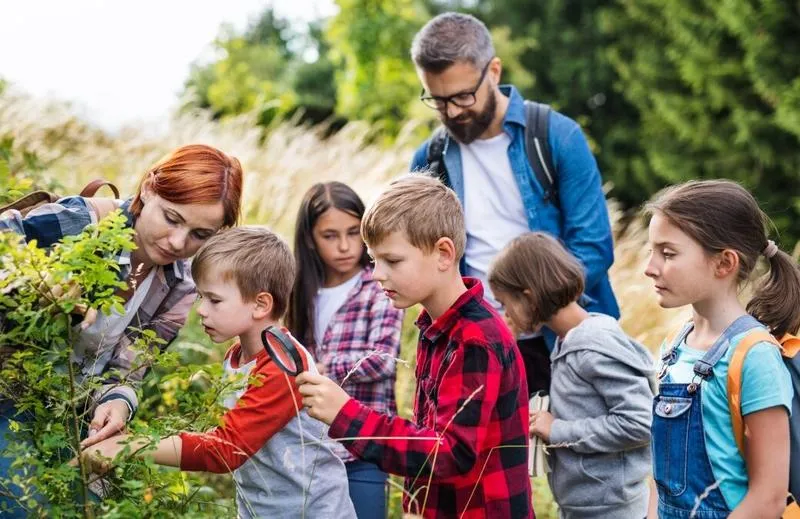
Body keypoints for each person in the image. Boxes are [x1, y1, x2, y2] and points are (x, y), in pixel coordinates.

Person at [0, 144, 243, 516]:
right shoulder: (86, 223)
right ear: (148, 188)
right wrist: (37, 281)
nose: (178, 243)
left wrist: (117, 402)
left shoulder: (180, 283)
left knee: (81, 506)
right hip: (10, 393)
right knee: (24, 508)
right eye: (172, 218)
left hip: (70, 413)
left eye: (199, 234)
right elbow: (5, 239)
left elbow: (130, 367)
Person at [297, 175, 533, 518]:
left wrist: (346, 415)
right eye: (374, 260)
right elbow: (429, 433)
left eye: (392, 261)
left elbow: (449, 453)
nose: (377, 274)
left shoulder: (475, 340)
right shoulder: (434, 328)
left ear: (443, 254)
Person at [80, 226, 356, 519]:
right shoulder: (237, 357)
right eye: (200, 296)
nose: (201, 309)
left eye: (214, 299)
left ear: (260, 304)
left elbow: (226, 450)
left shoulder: (282, 365)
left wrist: (130, 446)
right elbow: (230, 435)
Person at [409, 12, 619, 395]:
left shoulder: (557, 137)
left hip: (566, 342)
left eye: (462, 96)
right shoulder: (429, 159)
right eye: (437, 101)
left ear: (493, 71)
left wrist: (524, 312)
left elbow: (593, 247)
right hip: (475, 346)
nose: (452, 112)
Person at [645, 180, 796, 518]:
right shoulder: (673, 348)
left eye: (668, 254)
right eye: (651, 251)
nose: (650, 267)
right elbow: (660, 477)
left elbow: (769, 499)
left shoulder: (755, 356)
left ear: (724, 263)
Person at [488, 231, 654, 519]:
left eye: (505, 304)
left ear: (529, 297)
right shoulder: (566, 343)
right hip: (583, 508)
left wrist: (557, 429)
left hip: (614, 511)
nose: (506, 315)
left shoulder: (593, 348)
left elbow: (640, 423)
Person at [286, 181, 403, 519]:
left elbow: (383, 360)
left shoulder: (379, 286)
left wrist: (322, 368)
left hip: (363, 447)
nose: (345, 246)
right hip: (310, 449)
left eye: (354, 233)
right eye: (330, 236)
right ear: (310, 238)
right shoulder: (300, 292)